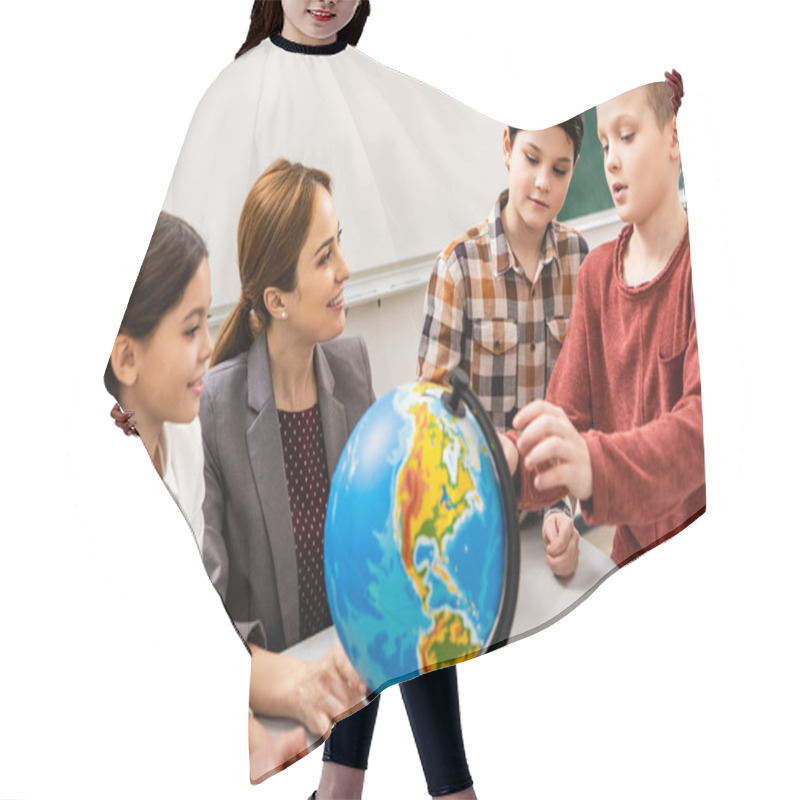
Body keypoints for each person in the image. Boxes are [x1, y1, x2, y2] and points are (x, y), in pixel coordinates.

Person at [201, 158, 476, 797]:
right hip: (282, 677)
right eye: (325, 257)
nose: (346, 270)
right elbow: (208, 606)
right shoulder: (216, 406)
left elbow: (378, 541)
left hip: (352, 648)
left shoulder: (349, 366)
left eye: (340, 244)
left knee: (407, 594)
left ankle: (428, 792)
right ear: (277, 301)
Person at [103, 211, 307, 781]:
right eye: (190, 329)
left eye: (207, 322)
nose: (208, 346)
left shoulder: (187, 439)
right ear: (127, 358)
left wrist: (267, 721)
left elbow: (193, 630)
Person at [163, 0, 504, 317]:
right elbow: (206, 222)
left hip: (371, 303)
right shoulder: (235, 93)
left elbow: (457, 160)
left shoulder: (383, 89)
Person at [505, 75, 706, 568]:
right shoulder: (596, 276)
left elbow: (701, 433)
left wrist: (592, 465)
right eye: (602, 142)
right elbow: (564, 415)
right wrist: (507, 460)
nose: (610, 159)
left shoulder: (705, 267)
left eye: (627, 135)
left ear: (676, 139)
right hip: (630, 562)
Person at [417, 117, 588, 577]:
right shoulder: (458, 268)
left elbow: (584, 414)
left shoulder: (581, 263)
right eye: (532, 159)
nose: (542, 183)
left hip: (555, 520)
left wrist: (562, 511)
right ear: (508, 146)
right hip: (475, 527)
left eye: (560, 169)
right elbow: (435, 427)